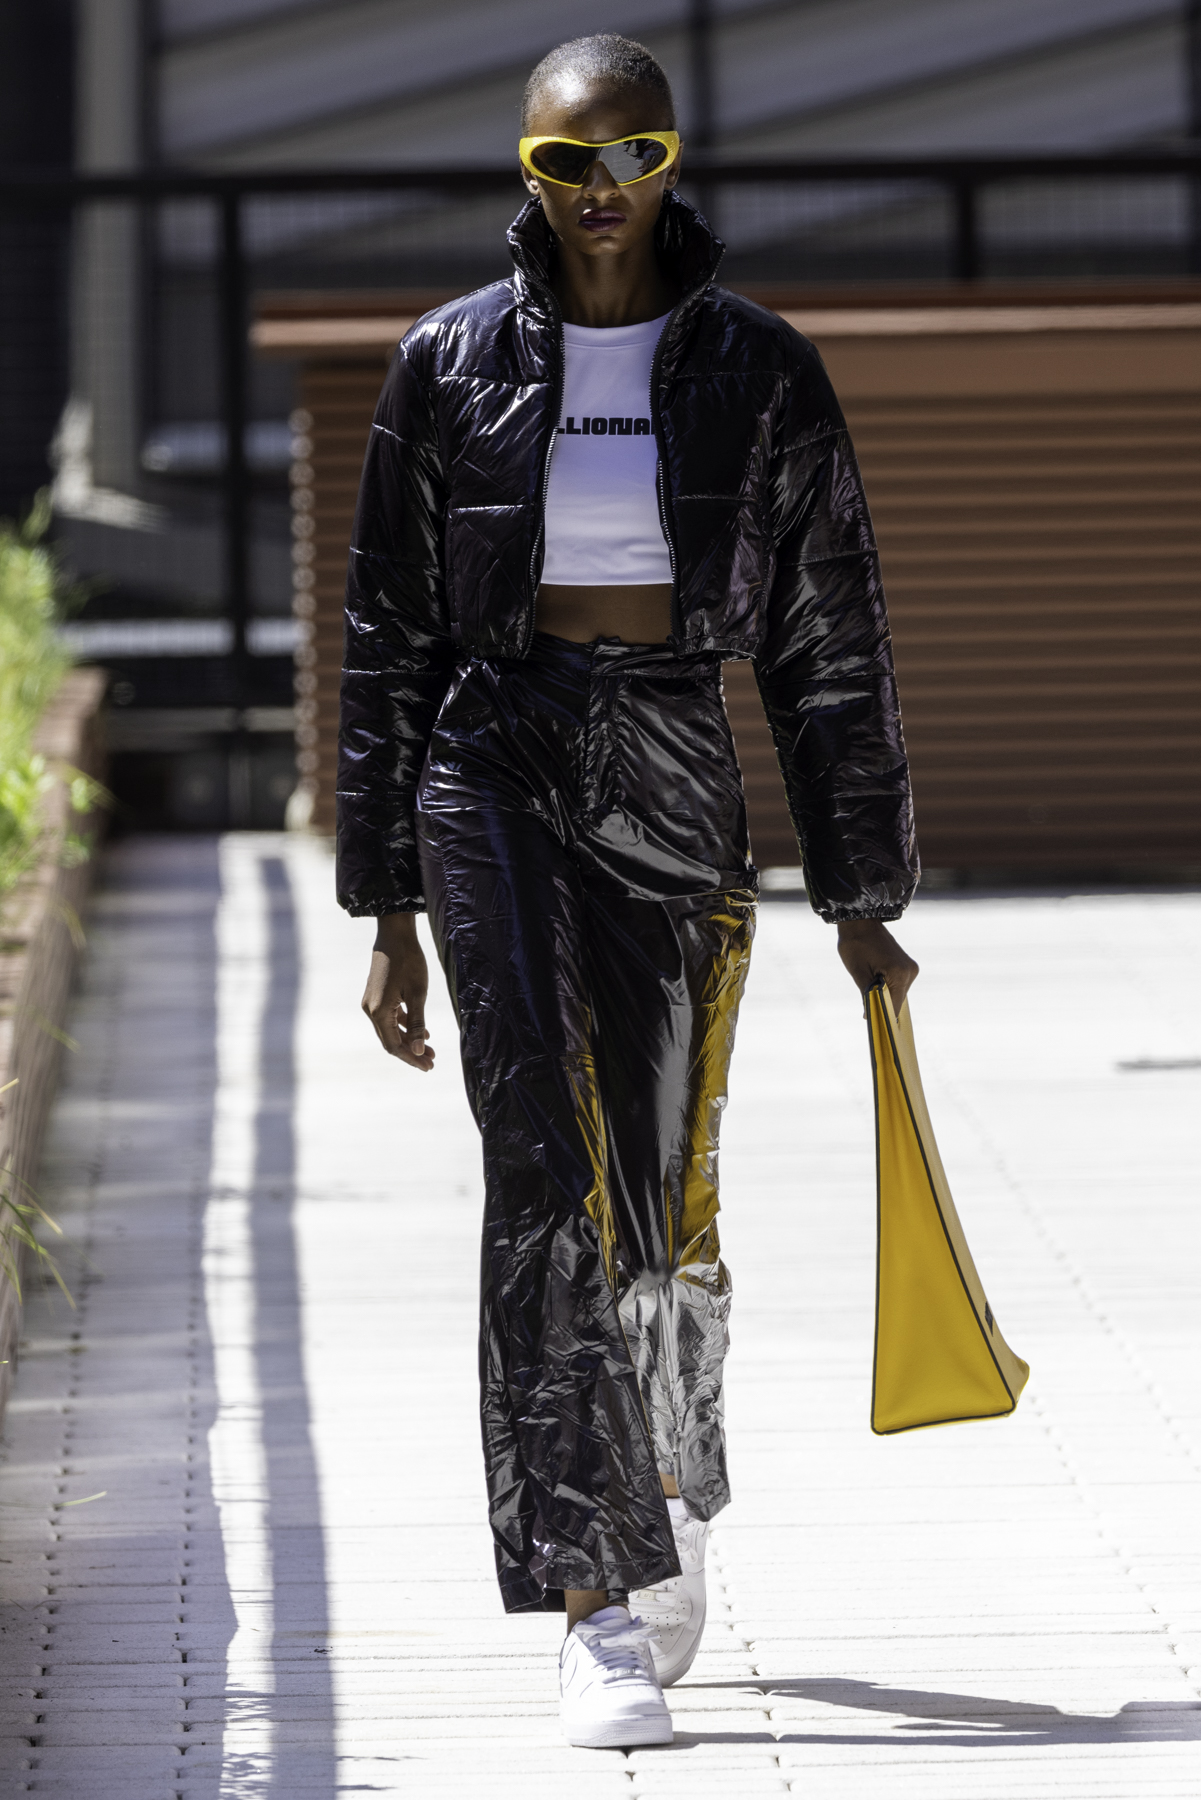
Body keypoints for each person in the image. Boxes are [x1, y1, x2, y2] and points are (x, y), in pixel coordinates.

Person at [337, 33, 919, 1752]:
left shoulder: (758, 369)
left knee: (661, 1180)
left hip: (673, 752)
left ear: (675, 161)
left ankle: (662, 1481)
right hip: (492, 755)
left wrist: (862, 887)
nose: (598, 194)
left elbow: (829, 643)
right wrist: (384, 908)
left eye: (632, 154)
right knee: (540, 1166)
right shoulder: (444, 364)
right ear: (522, 172)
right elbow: (384, 638)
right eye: (560, 165)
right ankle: (593, 1591)